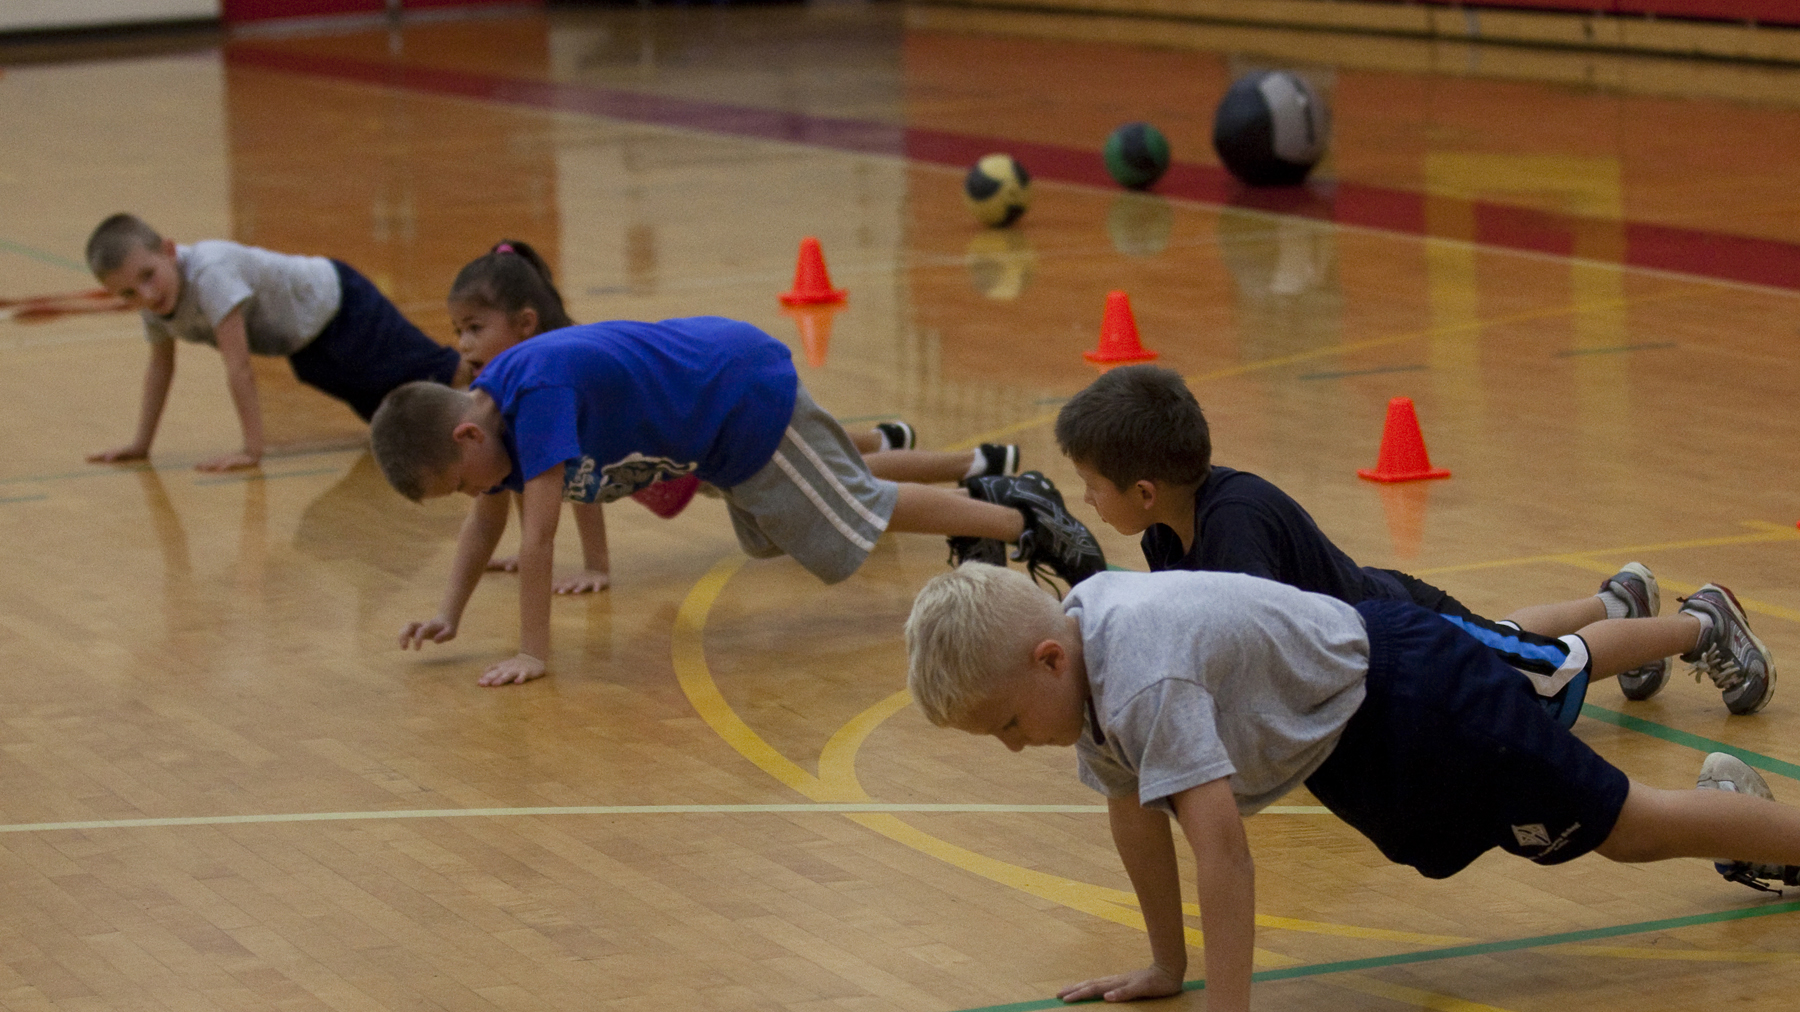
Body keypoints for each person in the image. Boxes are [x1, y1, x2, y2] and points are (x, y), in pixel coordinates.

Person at [903, 563, 1800, 1012]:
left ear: (1050, 658)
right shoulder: (1081, 642)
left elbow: (1220, 847)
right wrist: (1163, 964)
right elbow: (1132, 815)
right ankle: (1751, 827)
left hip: (1415, 701)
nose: (1013, 746)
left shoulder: (1134, 674)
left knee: (1624, 826)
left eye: (1006, 724)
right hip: (1367, 735)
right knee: (1614, 824)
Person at [370, 314, 1103, 686]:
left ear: (467, 435)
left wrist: (535, 652)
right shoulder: (494, 420)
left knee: (850, 512)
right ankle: (982, 499)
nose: (476, 493)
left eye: (464, 479)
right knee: (789, 531)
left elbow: (535, 541)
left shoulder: (535, 395)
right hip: (713, 435)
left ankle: (1021, 514)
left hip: (737, 394)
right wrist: (448, 614)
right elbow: (484, 524)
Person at [1054, 365, 1774, 719]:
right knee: (1500, 641)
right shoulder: (1166, 534)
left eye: (1092, 484)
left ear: (1144, 490)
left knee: (1545, 678)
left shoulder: (1235, 519)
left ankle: (1701, 622)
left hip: (1405, 641)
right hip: (1391, 631)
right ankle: (1617, 604)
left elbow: (1255, 641)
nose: (1086, 498)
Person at [445, 241, 1025, 594]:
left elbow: (565, 497)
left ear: (522, 323)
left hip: (706, 428)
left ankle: (996, 490)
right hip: (696, 443)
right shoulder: (505, 391)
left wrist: (594, 563)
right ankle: (955, 460)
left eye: (476, 328)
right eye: (459, 331)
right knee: (834, 480)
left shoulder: (541, 383)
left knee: (851, 496)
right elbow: (542, 495)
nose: (465, 344)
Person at [83, 213, 465, 472]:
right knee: (395, 416)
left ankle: (508, 386)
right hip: (305, 346)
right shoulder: (153, 304)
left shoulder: (210, 272)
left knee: (443, 373)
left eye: (149, 276)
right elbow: (160, 367)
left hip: (343, 307)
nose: (146, 296)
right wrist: (141, 444)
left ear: (169, 250)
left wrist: (251, 450)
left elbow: (239, 367)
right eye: (128, 293)